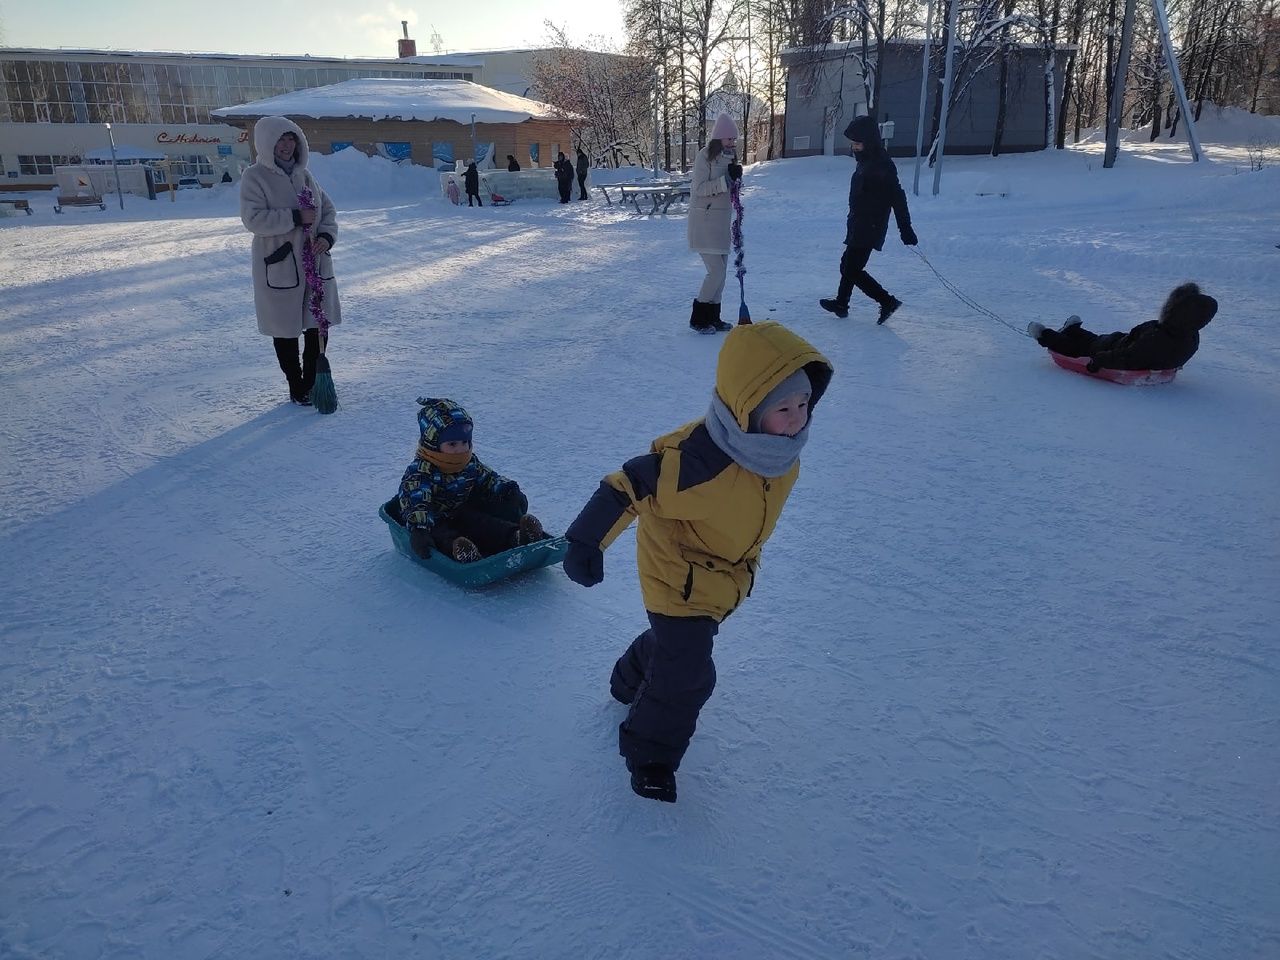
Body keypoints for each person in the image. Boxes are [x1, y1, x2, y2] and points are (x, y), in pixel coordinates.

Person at [563, 321, 834, 803]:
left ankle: (628, 679)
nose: (797, 419)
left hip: (721, 575)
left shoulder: (777, 452)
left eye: (804, 405)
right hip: (677, 573)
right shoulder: (702, 461)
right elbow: (627, 486)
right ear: (746, 409)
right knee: (689, 673)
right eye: (783, 409)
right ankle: (650, 756)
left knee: (675, 648)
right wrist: (587, 540)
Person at [239, 116, 342, 406]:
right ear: (267, 143)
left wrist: (326, 235)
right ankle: (296, 385)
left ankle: (312, 382)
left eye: (291, 139)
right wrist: (294, 217)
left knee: (316, 327)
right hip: (280, 264)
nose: (286, 145)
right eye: (280, 140)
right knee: (285, 331)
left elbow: (329, 211)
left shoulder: (305, 176)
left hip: (315, 263)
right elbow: (253, 218)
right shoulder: (255, 177)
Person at [397, 398, 548, 563]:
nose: (461, 449)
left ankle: (517, 537)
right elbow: (415, 501)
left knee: (484, 524)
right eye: (452, 444)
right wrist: (419, 528)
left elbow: (488, 477)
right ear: (433, 444)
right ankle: (462, 553)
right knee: (440, 536)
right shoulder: (421, 471)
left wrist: (507, 489)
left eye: (465, 442)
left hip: (463, 511)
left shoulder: (469, 463)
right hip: (434, 520)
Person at [819, 115, 917, 324]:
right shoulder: (866, 161)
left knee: (852, 268)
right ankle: (841, 303)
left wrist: (905, 229)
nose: (854, 147)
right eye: (853, 143)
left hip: (870, 226)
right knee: (847, 264)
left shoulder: (882, 165)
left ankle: (887, 301)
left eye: (857, 143)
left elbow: (897, 198)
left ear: (869, 141)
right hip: (858, 223)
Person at [1028, 283, 1218, 371]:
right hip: (1121, 342)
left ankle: (1044, 334)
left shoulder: (1158, 339)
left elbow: (1126, 359)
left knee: (1079, 348)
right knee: (1094, 339)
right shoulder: (1190, 336)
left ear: (1175, 310)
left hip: (1114, 350)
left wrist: (1098, 361)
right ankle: (1072, 330)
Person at [687, 112, 743, 334]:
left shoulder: (731, 157)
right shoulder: (705, 156)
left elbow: (731, 191)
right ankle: (698, 318)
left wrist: (736, 180)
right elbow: (698, 189)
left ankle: (714, 317)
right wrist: (725, 181)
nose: (732, 143)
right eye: (729, 139)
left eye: (734, 139)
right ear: (719, 138)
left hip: (722, 223)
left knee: (722, 272)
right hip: (704, 222)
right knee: (716, 271)